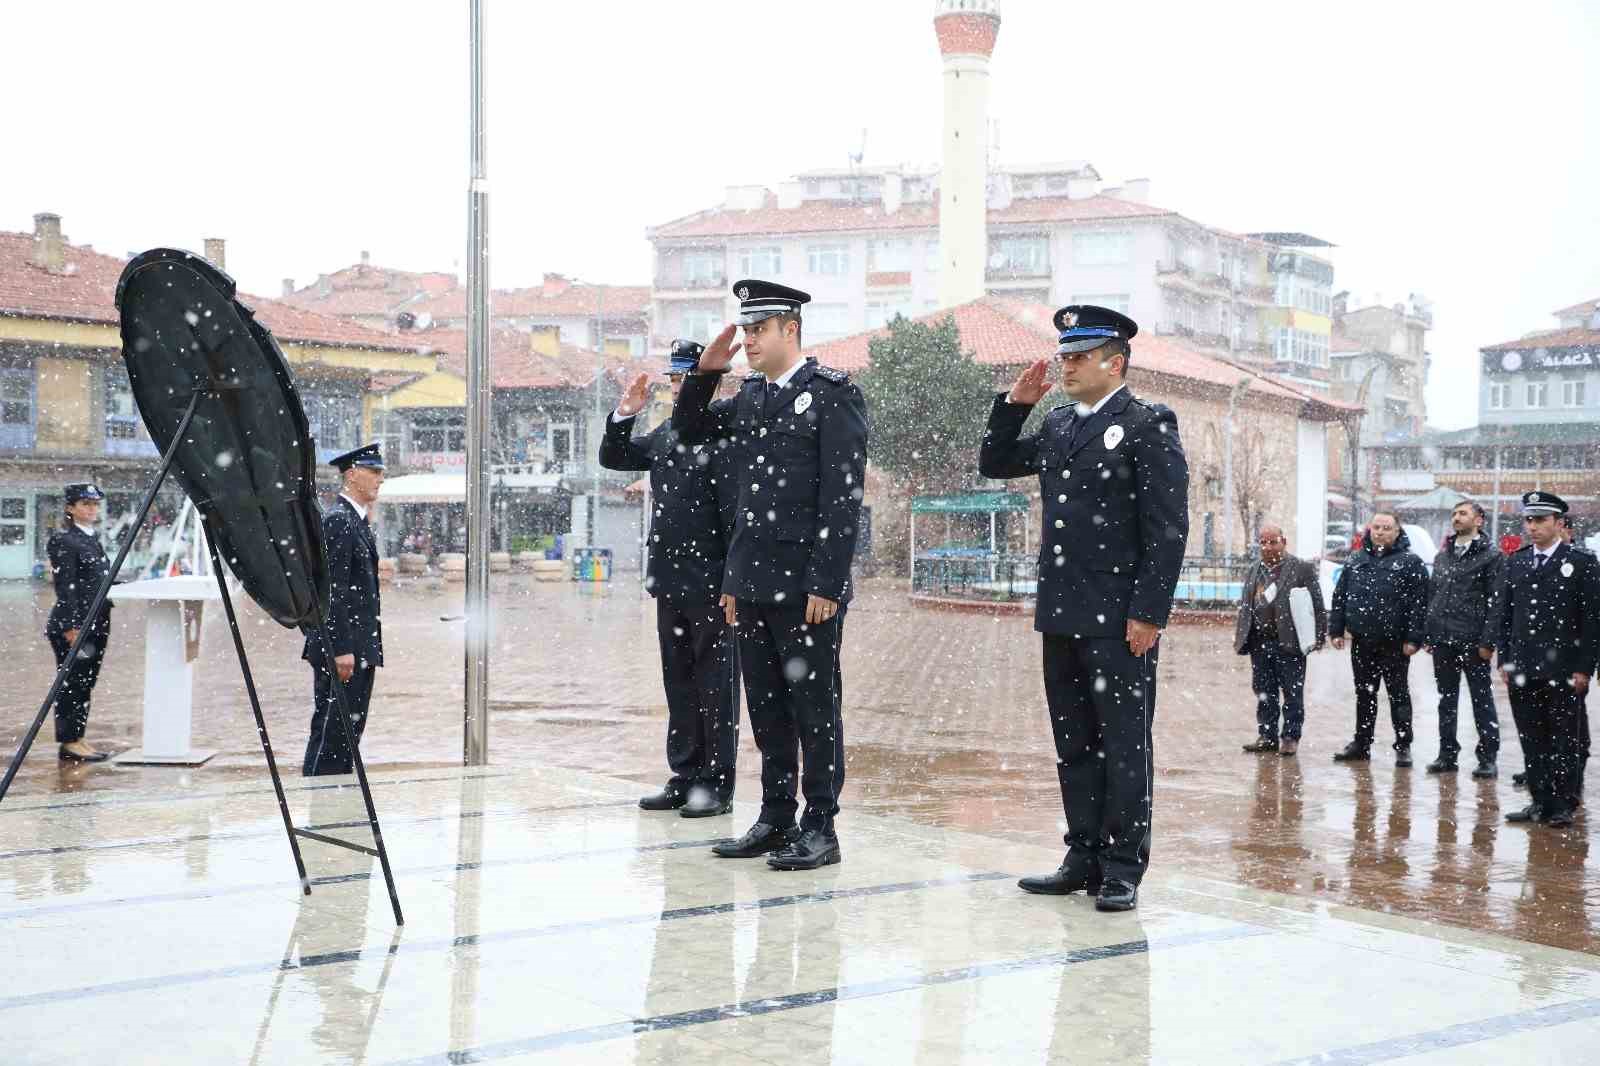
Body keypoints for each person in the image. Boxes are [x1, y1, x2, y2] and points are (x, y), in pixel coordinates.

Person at [979, 305, 1189, 912]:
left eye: (1077, 356)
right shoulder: (1060, 426)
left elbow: (1167, 529)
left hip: (1120, 618)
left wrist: (1149, 612)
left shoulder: (1148, 425)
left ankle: (1122, 865)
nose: (1065, 366)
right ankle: (1082, 853)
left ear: (1114, 362)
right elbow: (995, 463)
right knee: (1074, 741)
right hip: (1063, 610)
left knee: (1124, 743)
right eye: (1063, 355)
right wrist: (1014, 406)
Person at [672, 280, 870, 870]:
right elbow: (691, 435)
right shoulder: (752, 397)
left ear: (792, 330)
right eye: (746, 329)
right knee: (766, 708)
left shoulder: (832, 395)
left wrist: (827, 584)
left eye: (760, 329)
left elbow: (842, 497)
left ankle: (821, 826)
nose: (750, 340)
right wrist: (704, 377)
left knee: (814, 708)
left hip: (806, 587)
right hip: (754, 583)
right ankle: (776, 816)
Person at [601, 339, 741, 818]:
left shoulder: (726, 431)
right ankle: (685, 775)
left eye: (687, 380)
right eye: (676, 380)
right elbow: (614, 458)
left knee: (716, 685)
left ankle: (716, 783)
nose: (679, 389)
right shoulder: (666, 434)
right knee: (679, 683)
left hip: (713, 582)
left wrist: (733, 581)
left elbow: (738, 516)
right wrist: (625, 414)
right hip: (669, 580)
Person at [1497, 492, 1600, 828]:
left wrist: (1585, 667)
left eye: (1541, 520)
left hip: (1565, 669)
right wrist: (1505, 660)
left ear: (1559, 523)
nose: (1533, 526)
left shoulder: (1582, 563)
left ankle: (1563, 803)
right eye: (1529, 519)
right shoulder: (1517, 561)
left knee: (1564, 740)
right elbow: (1506, 616)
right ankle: (1539, 800)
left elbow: (1591, 622)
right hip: (1524, 667)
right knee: (1531, 738)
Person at [302, 443, 386, 777]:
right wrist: (341, 649)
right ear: (352, 475)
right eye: (374, 472)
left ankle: (334, 801)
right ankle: (323, 804)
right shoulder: (340, 521)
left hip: (357, 649)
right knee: (333, 733)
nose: (380, 479)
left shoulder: (356, 521)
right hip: (344, 651)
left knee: (345, 733)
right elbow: (332, 591)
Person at [1328, 512, 1427, 767]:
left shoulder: (1410, 562)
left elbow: (1420, 605)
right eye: (1376, 527)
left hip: (1395, 645)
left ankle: (1403, 745)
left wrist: (1414, 639)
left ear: (1397, 532)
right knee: (1364, 695)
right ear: (1369, 530)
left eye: (1386, 528)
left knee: (1398, 695)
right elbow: (1340, 597)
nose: (1380, 532)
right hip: (1363, 642)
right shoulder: (1356, 560)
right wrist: (1336, 630)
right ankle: (1362, 743)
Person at [1422, 500, 1502, 777]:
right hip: (1443, 640)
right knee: (1446, 700)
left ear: (1478, 520)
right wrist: (1429, 634)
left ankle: (1488, 757)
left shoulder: (1491, 556)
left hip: (1473, 641)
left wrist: (1487, 642)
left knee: (1482, 700)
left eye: (1463, 513)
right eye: (1454, 514)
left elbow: (1496, 603)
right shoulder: (1443, 555)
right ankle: (1447, 754)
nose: (1456, 518)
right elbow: (1433, 595)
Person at [1234, 523, 1326, 756]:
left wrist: (1319, 636)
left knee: (1292, 692)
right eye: (1263, 542)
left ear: (1284, 542)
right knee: (1264, 691)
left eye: (1273, 541)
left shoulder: (1301, 568)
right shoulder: (1254, 568)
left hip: (1289, 642)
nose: (1268, 546)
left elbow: (1316, 604)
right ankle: (1267, 736)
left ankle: (1290, 737)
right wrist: (1243, 635)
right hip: (1259, 642)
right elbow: (1247, 605)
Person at [45, 483, 115, 762]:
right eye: (85, 504)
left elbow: (97, 581)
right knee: (72, 683)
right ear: (70, 508)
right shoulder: (65, 540)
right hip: (75, 626)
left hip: (96, 623)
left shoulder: (91, 538)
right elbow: (67, 587)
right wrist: (72, 626)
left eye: (95, 504)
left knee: (85, 683)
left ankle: (78, 738)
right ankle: (68, 742)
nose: (91, 509)